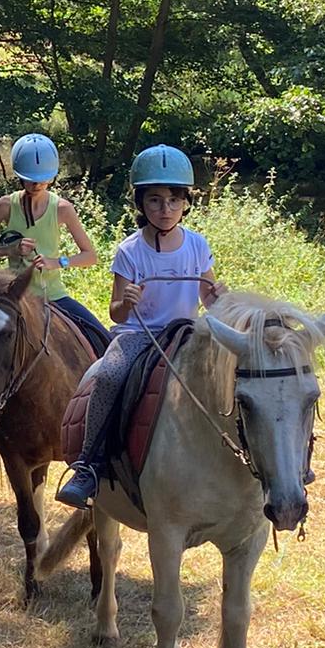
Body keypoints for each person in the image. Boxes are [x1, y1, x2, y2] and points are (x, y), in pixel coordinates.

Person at [55, 143, 221, 509]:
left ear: (186, 203)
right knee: (111, 376)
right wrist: (125, 301)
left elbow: (207, 299)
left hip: (185, 333)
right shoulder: (130, 250)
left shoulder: (197, 245)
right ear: (141, 204)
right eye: (156, 201)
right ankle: (89, 465)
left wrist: (218, 295)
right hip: (139, 335)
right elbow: (116, 314)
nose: (166, 210)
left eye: (174, 201)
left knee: (236, 370)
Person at [0, 133, 110, 450]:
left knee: (102, 339)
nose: (35, 185)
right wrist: (8, 248)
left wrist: (58, 261)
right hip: (8, 298)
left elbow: (90, 255)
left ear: (52, 177)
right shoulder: (4, 206)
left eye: (40, 180)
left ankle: (104, 412)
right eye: (28, 180)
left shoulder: (63, 209)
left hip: (53, 295)